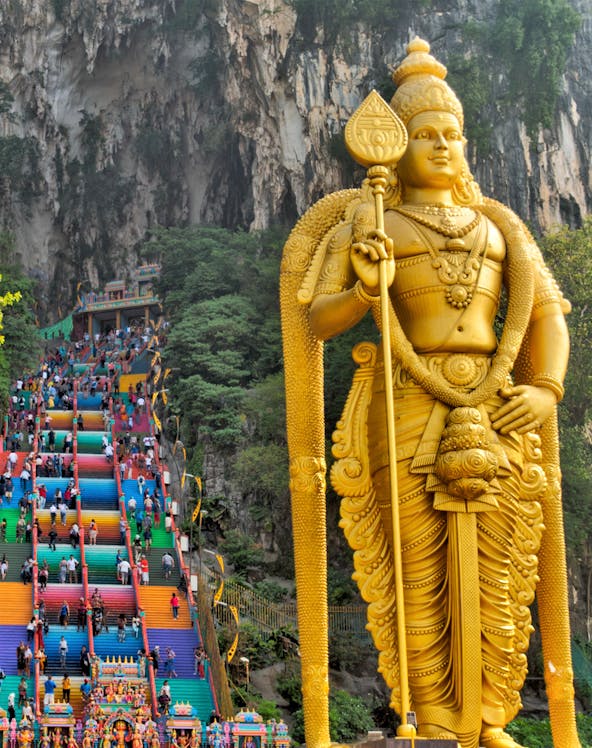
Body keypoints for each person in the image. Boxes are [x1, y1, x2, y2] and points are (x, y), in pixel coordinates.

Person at [282, 38, 578, 748]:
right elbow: (314, 319)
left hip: (499, 400)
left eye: (452, 135)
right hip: (405, 401)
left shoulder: (502, 225)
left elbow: (547, 317)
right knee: (416, 570)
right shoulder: (373, 220)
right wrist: (362, 286)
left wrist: (546, 388)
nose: (442, 146)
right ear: (396, 147)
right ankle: (435, 718)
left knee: (504, 568)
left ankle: (492, 715)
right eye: (425, 135)